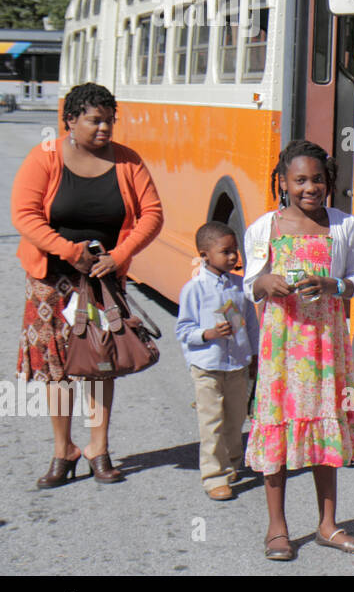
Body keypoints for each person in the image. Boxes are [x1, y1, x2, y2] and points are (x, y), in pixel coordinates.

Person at [11, 82, 163, 487]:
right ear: (71, 120)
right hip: (51, 279)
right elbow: (24, 215)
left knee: (100, 363)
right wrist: (67, 250)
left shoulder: (128, 161)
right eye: (95, 121)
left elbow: (152, 214)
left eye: (109, 121)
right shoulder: (45, 158)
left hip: (101, 280)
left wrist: (118, 256)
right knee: (56, 369)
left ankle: (99, 447)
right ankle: (64, 450)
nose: (104, 129)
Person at [243, 140, 354, 561]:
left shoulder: (345, 226)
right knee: (276, 425)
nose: (309, 187)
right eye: (299, 180)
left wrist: (335, 285)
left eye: (317, 179)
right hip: (281, 346)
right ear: (283, 182)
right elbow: (250, 284)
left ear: (328, 182)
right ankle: (277, 527)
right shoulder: (265, 228)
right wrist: (266, 284)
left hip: (327, 344)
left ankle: (328, 525)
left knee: (325, 425)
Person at [175, 221, 258, 501]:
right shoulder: (194, 289)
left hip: (236, 365)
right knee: (211, 422)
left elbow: (251, 324)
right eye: (226, 252)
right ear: (205, 255)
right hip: (207, 367)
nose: (234, 257)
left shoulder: (239, 286)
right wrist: (207, 334)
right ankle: (213, 476)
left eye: (235, 251)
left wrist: (254, 355)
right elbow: (183, 329)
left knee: (235, 419)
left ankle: (232, 464)